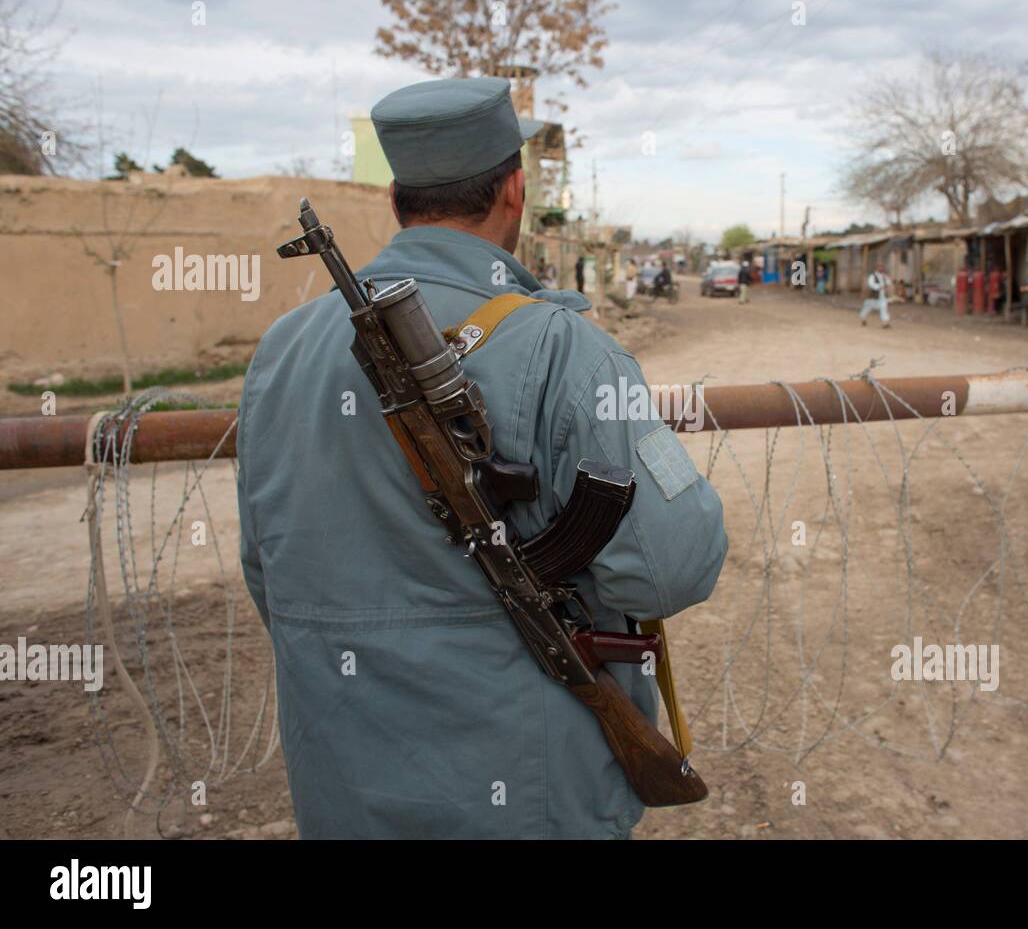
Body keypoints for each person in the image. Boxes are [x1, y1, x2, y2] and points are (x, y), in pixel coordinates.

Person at [236, 77, 728, 839]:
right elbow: (673, 567)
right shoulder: (567, 349)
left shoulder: (282, 350)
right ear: (514, 189)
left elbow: (266, 567)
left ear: (398, 198)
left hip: (344, 787)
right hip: (527, 793)